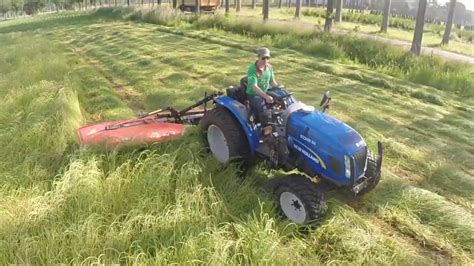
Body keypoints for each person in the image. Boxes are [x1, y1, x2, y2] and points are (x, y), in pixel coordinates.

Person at [246, 47, 279, 125]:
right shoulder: (252, 69)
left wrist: (279, 88)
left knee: (281, 101)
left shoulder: (269, 67)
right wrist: (266, 97)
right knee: (262, 107)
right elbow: (254, 87)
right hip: (253, 94)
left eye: (268, 58)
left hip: (265, 91)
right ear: (258, 57)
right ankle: (266, 128)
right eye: (263, 58)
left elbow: (272, 81)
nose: (265, 60)